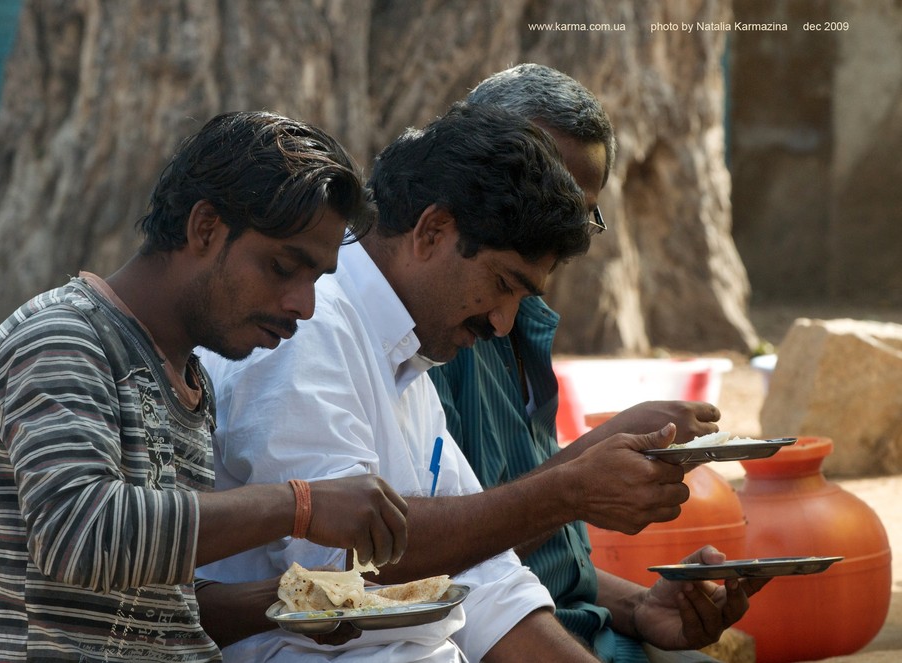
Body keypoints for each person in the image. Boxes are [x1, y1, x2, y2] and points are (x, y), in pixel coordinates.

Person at [195, 102, 693, 662]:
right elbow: (351, 564)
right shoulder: (308, 330)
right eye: (502, 284)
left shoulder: (409, 359)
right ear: (432, 230)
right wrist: (569, 489)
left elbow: (486, 580)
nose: (502, 322)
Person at [0, 110, 409, 662]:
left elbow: (158, 607)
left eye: (315, 280)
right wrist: (300, 505)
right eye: (284, 267)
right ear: (204, 227)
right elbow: (82, 535)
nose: (303, 305)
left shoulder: (188, 382)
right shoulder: (63, 338)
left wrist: (300, 601)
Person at [428, 63, 768, 662]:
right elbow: (443, 561)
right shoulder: (438, 329)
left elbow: (536, 562)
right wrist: (585, 471)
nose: (554, 229)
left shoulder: (519, 315)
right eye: (533, 191)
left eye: (574, 212)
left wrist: (641, 607)